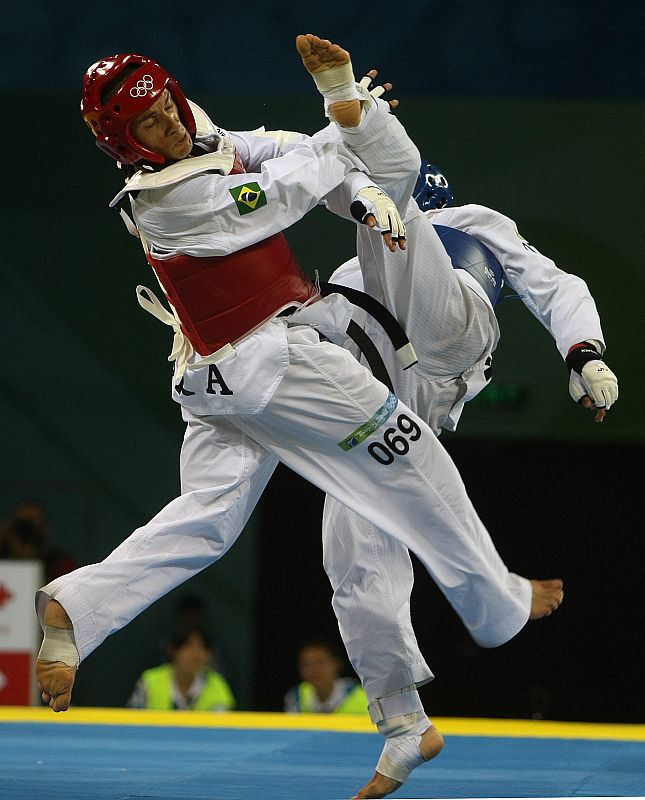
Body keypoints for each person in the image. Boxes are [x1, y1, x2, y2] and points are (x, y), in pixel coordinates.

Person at [35, 36, 561, 799]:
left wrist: (348, 145)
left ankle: (77, 609)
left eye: (165, 108)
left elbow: (286, 152)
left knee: (209, 517)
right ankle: (499, 601)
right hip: (271, 362)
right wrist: (343, 110)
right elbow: (291, 184)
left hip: (212, 383)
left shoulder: (204, 136)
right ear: (123, 143)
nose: (167, 127)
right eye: (146, 126)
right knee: (410, 456)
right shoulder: (166, 199)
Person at [294, 40, 617, 797]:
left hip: (449, 335)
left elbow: (555, 284)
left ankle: (354, 111)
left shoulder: (470, 219)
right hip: (390, 405)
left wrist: (583, 353)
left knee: (388, 219)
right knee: (350, 548)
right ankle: (402, 722)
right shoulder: (350, 267)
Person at [126, 626, 234, 711]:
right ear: (173, 650)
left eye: (203, 647)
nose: (196, 654)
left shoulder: (217, 684)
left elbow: (219, 732)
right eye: (189, 646)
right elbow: (133, 723)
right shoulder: (150, 680)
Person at [284, 639, 368, 714]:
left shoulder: (363, 696)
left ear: (336, 663)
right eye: (306, 664)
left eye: (319, 663)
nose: (313, 670)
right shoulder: (295, 697)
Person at [0, 501, 76, 582]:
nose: (26, 532)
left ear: (45, 528)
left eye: (32, 525)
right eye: (21, 525)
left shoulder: (61, 564)